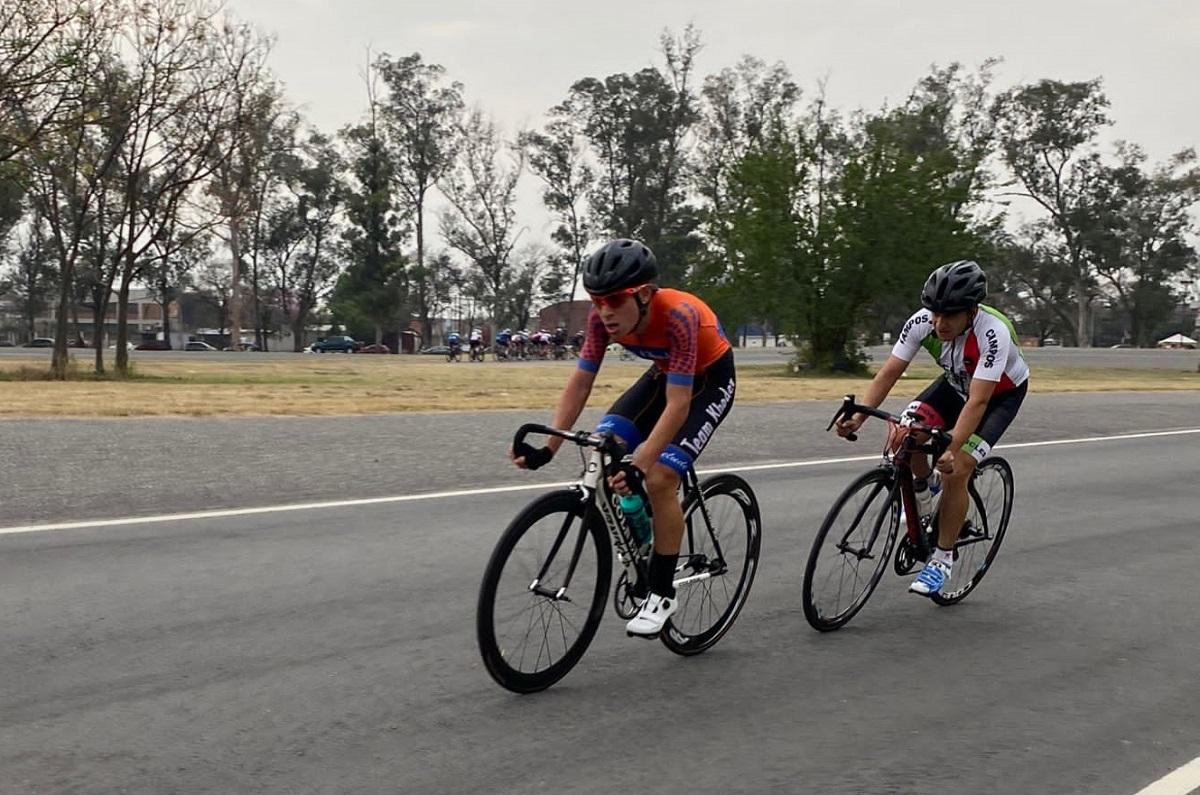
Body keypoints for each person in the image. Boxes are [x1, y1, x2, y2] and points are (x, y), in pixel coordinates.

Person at [510, 239, 736, 637]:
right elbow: (581, 382)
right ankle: (643, 534)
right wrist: (549, 447)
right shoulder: (601, 321)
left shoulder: (680, 316)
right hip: (664, 374)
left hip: (709, 382)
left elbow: (679, 405)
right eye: (597, 300)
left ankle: (662, 593)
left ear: (645, 294)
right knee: (604, 445)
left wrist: (644, 462)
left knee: (660, 478)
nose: (604, 311)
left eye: (614, 299)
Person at [835, 260, 1029, 596]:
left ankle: (941, 559)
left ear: (971, 311)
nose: (939, 323)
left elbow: (978, 403)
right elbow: (890, 372)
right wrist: (860, 416)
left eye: (949, 315)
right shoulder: (922, 323)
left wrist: (953, 448)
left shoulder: (992, 332)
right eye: (935, 313)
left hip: (997, 398)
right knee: (903, 434)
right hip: (956, 386)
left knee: (958, 470)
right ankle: (925, 492)